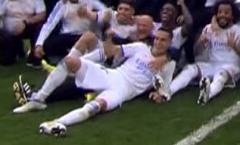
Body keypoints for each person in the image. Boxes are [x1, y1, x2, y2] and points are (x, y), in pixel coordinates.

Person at [21, 30, 175, 137]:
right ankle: (38, 99)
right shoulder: (140, 47)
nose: (158, 42)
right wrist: (109, 42)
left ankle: (55, 123)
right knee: (70, 61)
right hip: (111, 75)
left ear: (170, 43)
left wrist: (160, 94)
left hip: (121, 92)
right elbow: (113, 51)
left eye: (163, 40)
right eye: (157, 38)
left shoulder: (168, 64)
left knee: (93, 108)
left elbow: (165, 90)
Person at [168, 0, 240, 105]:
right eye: (219, 12)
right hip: (212, 65)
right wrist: (201, 43)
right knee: (190, 68)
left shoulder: (239, 30)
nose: (222, 15)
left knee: (221, 75)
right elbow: (196, 53)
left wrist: (234, 45)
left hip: (231, 67)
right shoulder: (209, 29)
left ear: (233, 15)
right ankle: (169, 90)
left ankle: (208, 93)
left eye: (226, 12)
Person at [33, 0, 106, 63]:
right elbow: (49, 24)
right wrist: (39, 44)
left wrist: (90, 14)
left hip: (85, 36)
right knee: (51, 43)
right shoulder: (62, 4)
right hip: (67, 37)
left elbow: (106, 11)